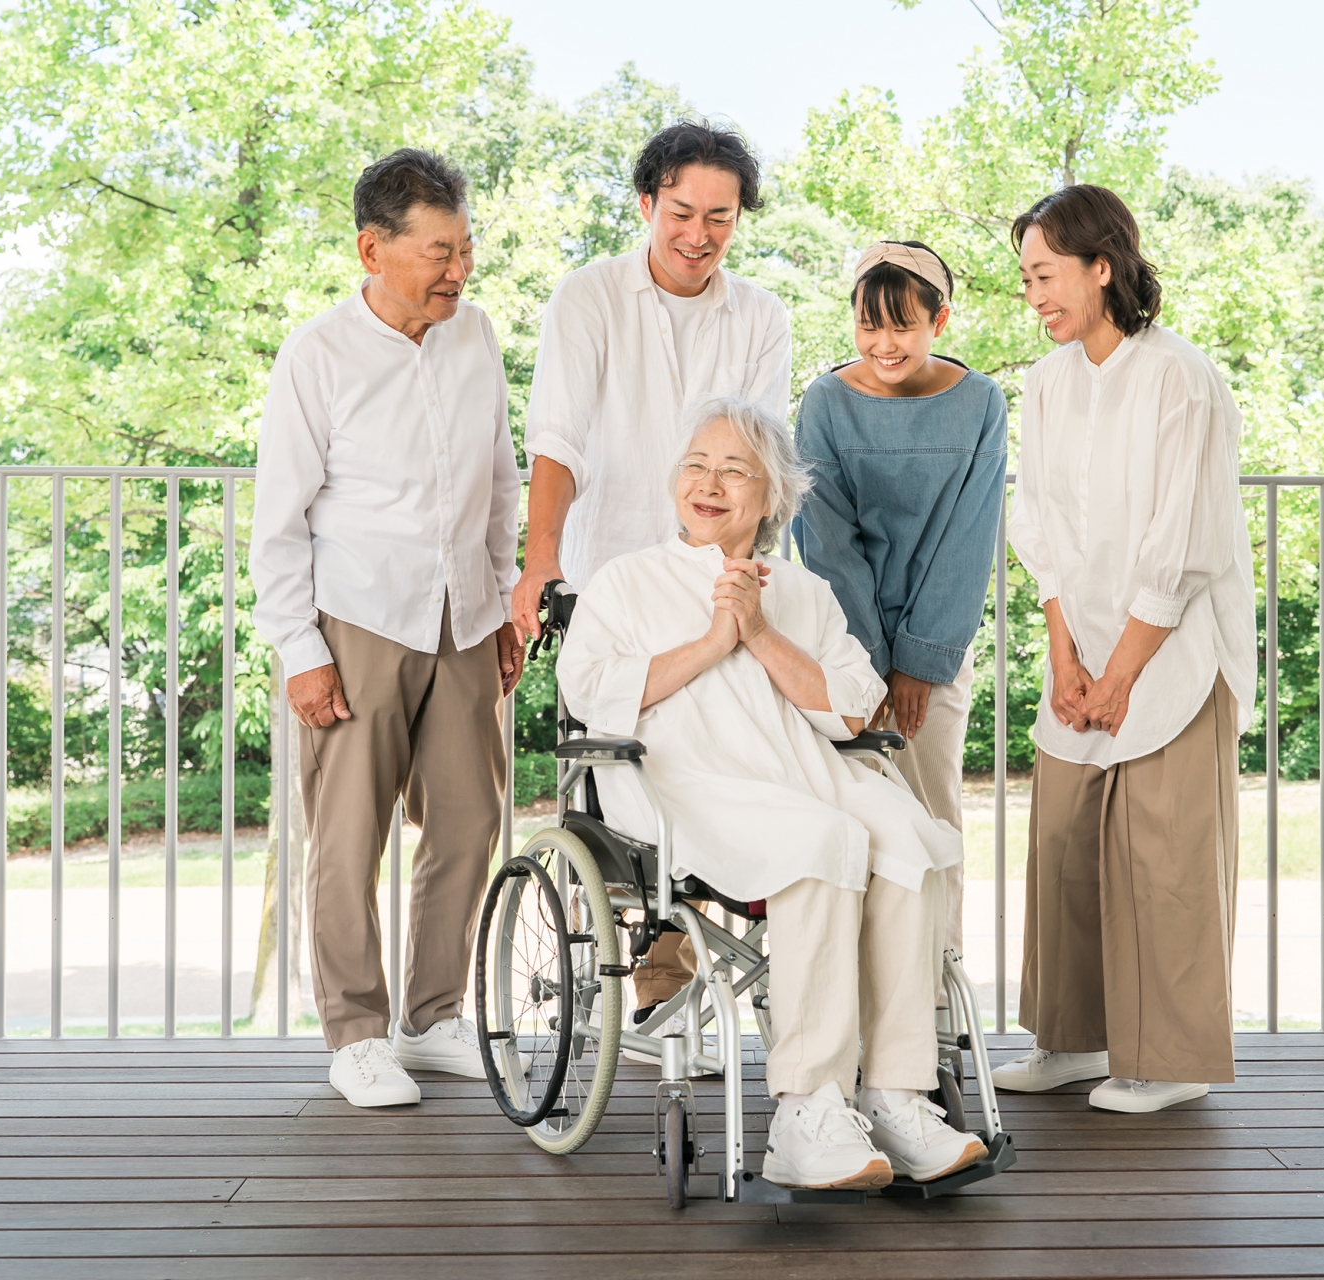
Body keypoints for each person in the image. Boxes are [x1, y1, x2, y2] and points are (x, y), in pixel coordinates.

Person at [555, 396, 986, 1189]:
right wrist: (713, 641)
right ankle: (806, 1110)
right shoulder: (626, 581)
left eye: (733, 471)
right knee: (823, 839)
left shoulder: (802, 591)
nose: (708, 484)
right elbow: (589, 690)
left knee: (909, 838)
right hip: (678, 782)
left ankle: (896, 1094)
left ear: (773, 495)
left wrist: (758, 632)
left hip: (804, 775)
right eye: (696, 466)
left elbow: (851, 708)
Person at [249, 148, 524, 1108]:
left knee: (468, 821)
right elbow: (279, 519)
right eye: (439, 252)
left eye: (466, 248)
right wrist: (300, 650)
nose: (460, 269)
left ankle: (433, 1016)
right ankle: (356, 1034)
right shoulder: (317, 354)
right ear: (373, 249)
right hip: (359, 618)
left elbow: (500, 480)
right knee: (348, 835)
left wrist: (502, 601)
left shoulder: (475, 334)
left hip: (465, 615)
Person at [516, 120, 791, 1038]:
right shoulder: (589, 297)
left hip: (711, 581)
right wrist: (541, 562)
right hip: (609, 583)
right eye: (681, 212)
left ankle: (676, 975)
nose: (698, 235)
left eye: (720, 217)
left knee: (716, 761)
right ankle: (626, 965)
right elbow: (558, 439)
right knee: (618, 777)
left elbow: (757, 455)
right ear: (646, 205)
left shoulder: (760, 316)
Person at [992, 184, 1256, 1114]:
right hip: (1084, 652)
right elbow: (1042, 530)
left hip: (1172, 651)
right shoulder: (1045, 382)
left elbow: (1182, 543)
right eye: (1026, 279)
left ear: (1102, 266)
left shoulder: (1181, 377)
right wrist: (1067, 662)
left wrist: (1122, 673)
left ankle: (1173, 1060)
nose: (1034, 296)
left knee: (1164, 858)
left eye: (1047, 275)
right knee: (1062, 844)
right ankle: (1072, 1041)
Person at [793, 241, 1007, 956]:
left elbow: (969, 539)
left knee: (933, 812)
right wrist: (871, 663)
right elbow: (827, 540)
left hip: (936, 653)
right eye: (868, 325)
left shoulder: (981, 402)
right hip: (841, 650)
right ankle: (856, 991)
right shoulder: (825, 401)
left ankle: (939, 989)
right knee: (849, 817)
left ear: (938, 321)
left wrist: (917, 661)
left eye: (903, 326)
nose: (884, 344)